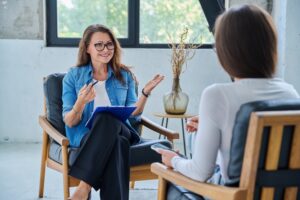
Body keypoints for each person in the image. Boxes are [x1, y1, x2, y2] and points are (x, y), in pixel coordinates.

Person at [157, 3, 299, 188]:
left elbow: (200, 173)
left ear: (227, 51)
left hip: (231, 194)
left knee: (168, 175)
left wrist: (174, 161)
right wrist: (215, 124)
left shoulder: (217, 95)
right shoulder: (290, 93)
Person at [62, 24, 164, 200]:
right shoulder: (73, 76)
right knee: (117, 144)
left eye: (109, 44)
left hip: (122, 128)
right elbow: (69, 121)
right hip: (87, 135)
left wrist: (145, 93)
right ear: (87, 48)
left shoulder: (124, 75)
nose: (105, 49)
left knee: (106, 116)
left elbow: (134, 114)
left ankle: (83, 187)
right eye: (99, 45)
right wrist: (80, 103)